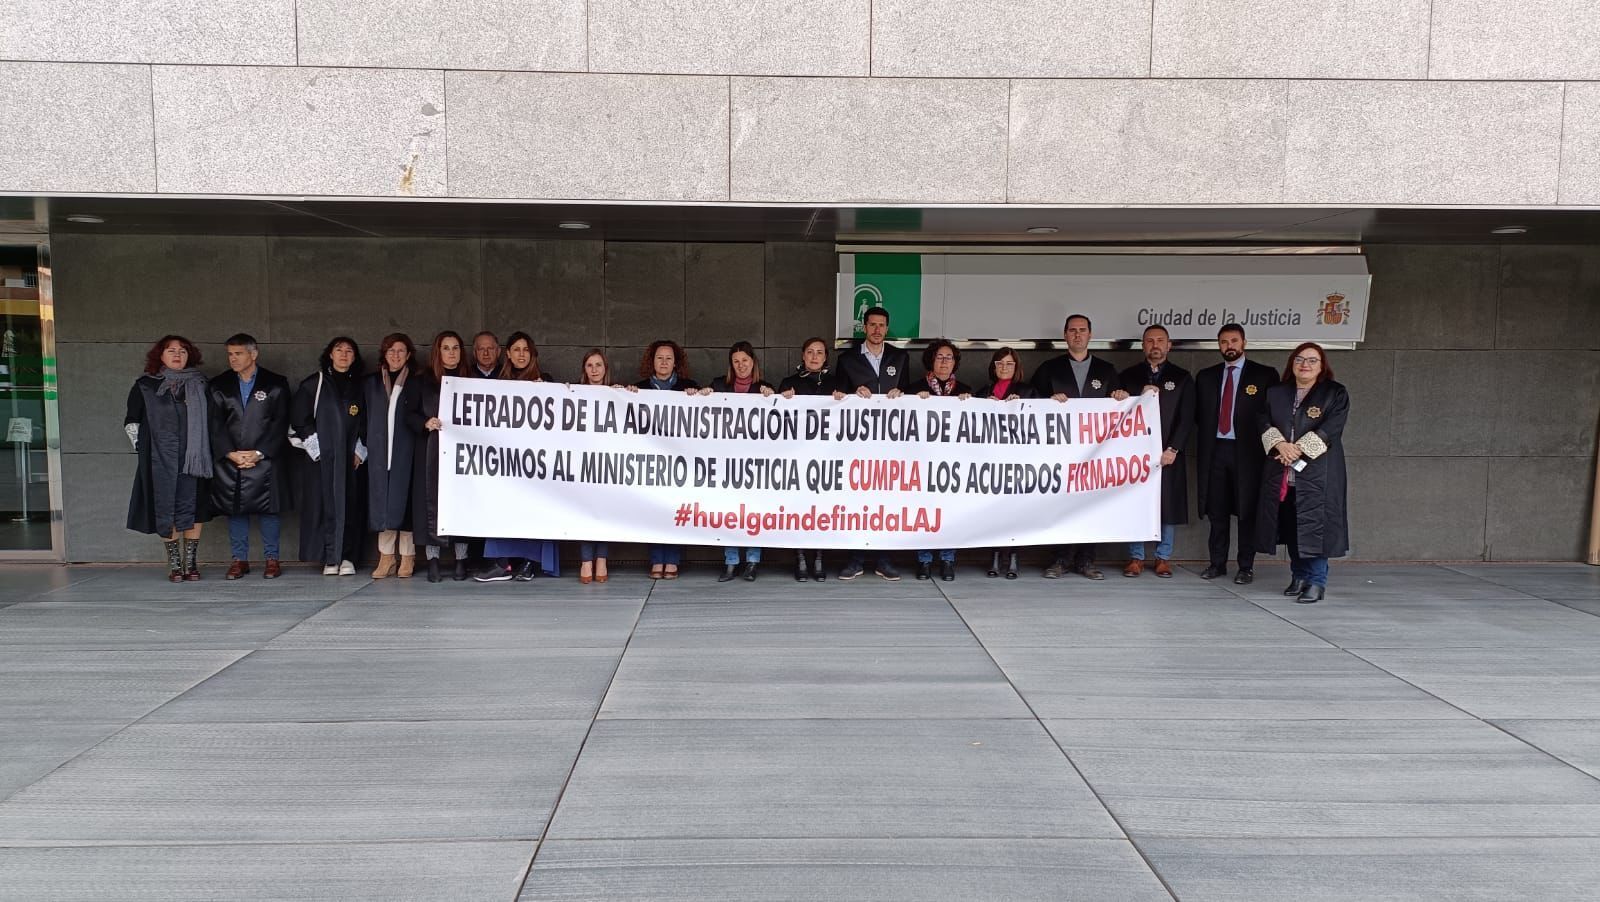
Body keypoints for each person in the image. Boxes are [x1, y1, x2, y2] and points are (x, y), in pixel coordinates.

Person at [1256, 343, 1349, 604]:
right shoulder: (1276, 392)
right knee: (1291, 524)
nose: (1305, 365)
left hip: (1319, 472)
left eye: (1312, 360)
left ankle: (1316, 582)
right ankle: (1298, 575)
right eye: (1299, 359)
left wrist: (1297, 450)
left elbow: (1332, 428)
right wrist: (1280, 445)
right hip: (1282, 469)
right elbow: (1263, 421)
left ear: (1322, 366)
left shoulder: (1334, 393)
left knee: (1315, 525)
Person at [1031, 313, 1121, 580]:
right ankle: (1061, 558)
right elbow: (1033, 404)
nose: (1077, 335)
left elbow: (1121, 406)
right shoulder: (1049, 368)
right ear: (1065, 335)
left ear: (1090, 335)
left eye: (1082, 330)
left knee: (1091, 505)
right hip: (1060, 453)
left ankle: (1086, 560)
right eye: (1072, 330)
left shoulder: (1106, 370)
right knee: (1063, 505)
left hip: (1096, 453)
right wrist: (1049, 400)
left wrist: (1120, 397)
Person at [1194, 323, 1278, 585]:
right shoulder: (1206, 376)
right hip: (1215, 450)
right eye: (1223, 342)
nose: (1228, 346)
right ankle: (1217, 563)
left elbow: (1273, 416)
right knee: (1217, 512)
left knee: (1246, 511)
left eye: (1233, 341)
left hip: (1249, 454)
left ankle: (1246, 566)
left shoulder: (1264, 375)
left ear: (1243, 343)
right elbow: (1198, 416)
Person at [831, 305, 910, 581]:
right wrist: (853, 393)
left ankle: (883, 559)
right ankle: (855, 559)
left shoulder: (900, 357)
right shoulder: (847, 359)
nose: (877, 330)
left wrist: (902, 393)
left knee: (887, 500)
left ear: (887, 329)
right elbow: (837, 395)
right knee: (857, 499)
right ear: (864, 327)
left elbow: (910, 396)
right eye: (872, 325)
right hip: (858, 442)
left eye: (882, 325)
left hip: (891, 442)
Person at [125, 335, 213, 582]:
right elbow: (132, 421)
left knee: (195, 508)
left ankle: (191, 561)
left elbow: (213, 421)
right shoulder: (145, 385)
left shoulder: (200, 384)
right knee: (166, 507)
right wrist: (144, 451)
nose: (177, 355)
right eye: (171, 350)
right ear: (160, 356)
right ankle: (175, 564)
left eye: (183, 351)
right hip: (159, 460)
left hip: (195, 458)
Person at [476, 332, 561, 581]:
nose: (521, 354)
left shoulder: (545, 380)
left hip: (536, 463)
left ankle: (528, 563)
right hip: (505, 462)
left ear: (532, 354)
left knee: (533, 511)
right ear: (508, 354)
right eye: (516, 349)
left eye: (526, 350)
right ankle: (502, 564)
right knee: (502, 510)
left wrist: (548, 392)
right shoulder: (496, 383)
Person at [207, 333, 291, 580]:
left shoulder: (275, 383)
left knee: (269, 510)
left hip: (265, 457)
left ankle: (272, 559)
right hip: (232, 458)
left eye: (238, 353)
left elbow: (281, 421)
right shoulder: (219, 384)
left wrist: (259, 452)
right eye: (230, 354)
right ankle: (239, 560)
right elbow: (215, 423)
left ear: (253, 354)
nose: (233, 359)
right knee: (236, 510)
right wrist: (230, 453)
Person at [1118, 325, 1195, 578]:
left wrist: (1173, 448)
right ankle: (1136, 557)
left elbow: (1187, 418)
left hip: (1167, 454)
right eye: (1150, 341)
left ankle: (1163, 557)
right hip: (1134, 455)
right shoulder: (1127, 376)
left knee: (1167, 505)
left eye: (1160, 340)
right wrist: (1120, 397)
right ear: (1143, 345)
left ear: (1169, 345)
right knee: (1135, 503)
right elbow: (1117, 414)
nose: (1155, 345)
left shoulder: (1182, 377)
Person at [292, 336, 367, 576]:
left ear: (354, 357)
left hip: (350, 461)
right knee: (323, 507)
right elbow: (299, 420)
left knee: (351, 507)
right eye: (339, 350)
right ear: (330, 354)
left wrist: (360, 450)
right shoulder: (315, 384)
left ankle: (347, 557)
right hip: (322, 462)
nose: (344, 354)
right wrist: (318, 450)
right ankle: (329, 558)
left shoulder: (360, 387)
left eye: (349, 351)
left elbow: (367, 422)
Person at [701, 341, 774, 582]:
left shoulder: (765, 388)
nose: (741, 365)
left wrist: (771, 399)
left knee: (754, 512)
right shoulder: (720, 385)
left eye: (745, 360)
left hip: (755, 463)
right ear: (731, 365)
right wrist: (702, 396)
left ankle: (752, 561)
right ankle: (731, 561)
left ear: (753, 362)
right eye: (736, 361)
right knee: (729, 512)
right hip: (726, 462)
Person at [631, 339, 700, 579]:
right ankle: (656, 560)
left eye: (668, 358)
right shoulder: (639, 389)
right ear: (652, 361)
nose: (663, 362)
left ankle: (672, 560)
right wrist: (626, 397)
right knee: (654, 511)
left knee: (675, 509)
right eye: (659, 358)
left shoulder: (688, 387)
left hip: (679, 461)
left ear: (675, 362)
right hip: (650, 462)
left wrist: (698, 396)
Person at [412, 330, 470, 582]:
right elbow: (409, 414)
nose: (451, 353)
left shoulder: (471, 378)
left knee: (463, 503)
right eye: (446, 348)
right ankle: (433, 560)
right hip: (432, 451)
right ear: (438, 351)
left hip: (464, 454)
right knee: (431, 504)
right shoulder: (422, 380)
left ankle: (461, 560)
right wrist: (425, 422)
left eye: (455, 347)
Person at [363, 333, 422, 579]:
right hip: (379, 453)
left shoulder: (417, 382)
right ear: (384, 354)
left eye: (400, 351)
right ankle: (386, 557)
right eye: (391, 351)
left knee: (405, 504)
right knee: (382, 504)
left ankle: (407, 557)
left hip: (407, 452)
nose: (395, 355)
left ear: (408, 355)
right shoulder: (371, 383)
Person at [975, 347, 1036, 579]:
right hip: (989, 463)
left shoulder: (1028, 391)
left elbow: (1042, 419)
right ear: (993, 366)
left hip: (1017, 463)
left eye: (1009, 364)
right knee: (993, 512)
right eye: (999, 363)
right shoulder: (983, 392)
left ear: (1016, 366)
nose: (1004, 367)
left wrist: (1021, 406)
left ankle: (1012, 557)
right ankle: (994, 556)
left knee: (1014, 513)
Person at [914, 339, 971, 581]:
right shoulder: (914, 389)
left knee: (951, 512)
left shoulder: (965, 391)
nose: (945, 362)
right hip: (921, 462)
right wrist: (913, 400)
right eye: (940, 357)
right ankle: (924, 560)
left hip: (953, 464)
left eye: (949, 357)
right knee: (923, 511)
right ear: (931, 360)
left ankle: (948, 559)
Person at [779, 336, 832, 582]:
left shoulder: (837, 382)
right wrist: (781, 399)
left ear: (825, 357)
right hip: (797, 458)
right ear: (802, 355)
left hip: (828, 459)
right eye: (810, 352)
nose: (814, 357)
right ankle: (800, 557)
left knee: (822, 509)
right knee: (799, 509)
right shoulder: (788, 383)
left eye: (819, 352)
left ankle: (819, 557)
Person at [574, 349, 621, 584]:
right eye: (590, 365)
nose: (594, 370)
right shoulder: (572, 394)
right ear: (584, 369)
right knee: (585, 512)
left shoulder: (617, 394)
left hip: (608, 463)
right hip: (582, 464)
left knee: (603, 512)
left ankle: (602, 559)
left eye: (598, 365)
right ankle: (586, 561)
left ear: (605, 368)